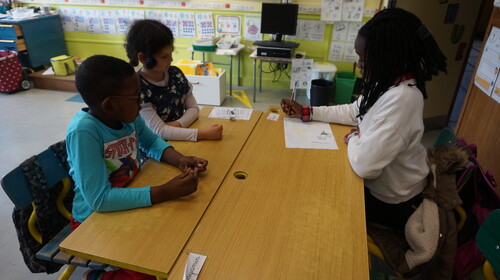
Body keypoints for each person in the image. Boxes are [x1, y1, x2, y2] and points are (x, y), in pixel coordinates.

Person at [281, 8, 447, 230]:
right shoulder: (387, 83)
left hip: (393, 200)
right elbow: (354, 111)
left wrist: (354, 138)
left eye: (364, 59)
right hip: (376, 182)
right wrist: (308, 112)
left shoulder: (403, 99)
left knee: (316, 208)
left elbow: (365, 165)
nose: (359, 64)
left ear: (388, 58)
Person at [67, 55, 208, 280]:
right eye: (136, 95)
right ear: (109, 105)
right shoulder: (84, 132)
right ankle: (99, 277)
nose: (141, 101)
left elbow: (151, 141)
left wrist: (179, 159)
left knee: (175, 241)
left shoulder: (128, 115)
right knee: (152, 268)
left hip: (128, 199)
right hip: (93, 219)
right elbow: (99, 200)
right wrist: (164, 192)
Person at [125, 19, 223, 142]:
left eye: (171, 53)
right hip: (157, 148)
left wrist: (178, 124)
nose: (171, 59)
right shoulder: (138, 87)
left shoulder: (176, 73)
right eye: (164, 56)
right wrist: (201, 134)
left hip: (183, 136)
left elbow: (193, 109)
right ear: (143, 58)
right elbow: (159, 132)